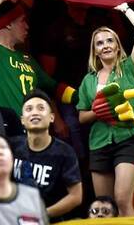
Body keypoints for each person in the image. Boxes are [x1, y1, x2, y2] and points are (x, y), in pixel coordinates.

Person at [76, 4, 134, 217]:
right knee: (103, 206)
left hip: (127, 139)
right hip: (99, 143)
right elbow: (81, 117)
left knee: (122, 200)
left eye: (110, 41)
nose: (105, 45)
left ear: (118, 46)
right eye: (99, 43)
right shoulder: (88, 80)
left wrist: (125, 8)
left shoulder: (130, 68)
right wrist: (99, 112)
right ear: (95, 51)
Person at [0, 0, 75, 114]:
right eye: (23, 21)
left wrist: (82, 96)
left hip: (27, 124)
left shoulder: (27, 59)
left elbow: (54, 87)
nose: (27, 26)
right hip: (0, 123)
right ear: (8, 24)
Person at [11, 90, 83, 218]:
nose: (34, 112)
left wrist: (42, 214)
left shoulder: (65, 152)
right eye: (29, 109)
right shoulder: (10, 147)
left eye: (41, 108)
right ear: (22, 120)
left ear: (52, 117)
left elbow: (76, 196)